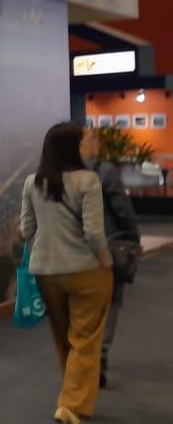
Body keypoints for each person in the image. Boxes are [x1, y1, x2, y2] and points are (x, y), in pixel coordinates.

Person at [20, 123, 113, 424]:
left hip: (46, 272)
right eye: (87, 138)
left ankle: (70, 397)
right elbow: (94, 233)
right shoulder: (88, 180)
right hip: (86, 270)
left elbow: (26, 230)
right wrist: (106, 261)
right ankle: (71, 405)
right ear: (73, 147)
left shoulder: (32, 182)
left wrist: (46, 250)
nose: (93, 142)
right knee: (86, 338)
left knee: (64, 338)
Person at [79, 128, 141, 388]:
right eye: (94, 138)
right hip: (108, 247)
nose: (99, 142)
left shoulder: (65, 174)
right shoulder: (104, 171)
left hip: (77, 251)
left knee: (84, 307)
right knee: (112, 301)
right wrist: (134, 238)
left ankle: (82, 358)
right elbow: (123, 210)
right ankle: (100, 356)